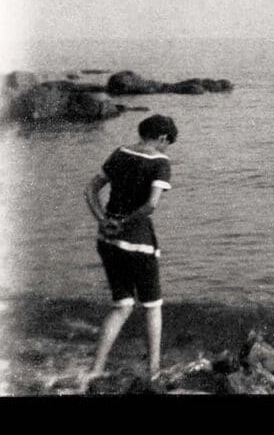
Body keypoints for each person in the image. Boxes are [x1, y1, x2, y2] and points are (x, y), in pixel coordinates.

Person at [81, 114, 177, 391]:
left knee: (122, 305)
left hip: (107, 240)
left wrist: (104, 220)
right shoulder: (160, 162)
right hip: (138, 242)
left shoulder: (119, 153)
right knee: (152, 306)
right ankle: (154, 371)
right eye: (168, 143)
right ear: (161, 138)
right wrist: (125, 223)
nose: (166, 148)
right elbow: (151, 205)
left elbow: (90, 190)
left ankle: (96, 369)